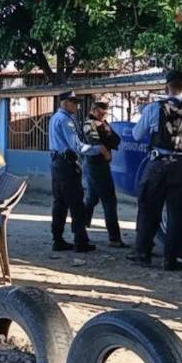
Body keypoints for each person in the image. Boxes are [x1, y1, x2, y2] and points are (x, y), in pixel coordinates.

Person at [129, 71, 182, 270]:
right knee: (178, 214)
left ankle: (143, 254)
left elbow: (136, 134)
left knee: (149, 209)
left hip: (158, 165)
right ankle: (171, 260)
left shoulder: (153, 108)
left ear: (166, 86)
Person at [49, 91, 109, 253]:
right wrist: (99, 149)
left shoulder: (56, 117)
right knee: (76, 203)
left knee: (59, 203)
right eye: (73, 102)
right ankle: (80, 241)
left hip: (57, 163)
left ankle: (58, 239)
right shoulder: (65, 120)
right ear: (64, 102)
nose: (77, 105)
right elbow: (77, 146)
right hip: (67, 165)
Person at [82, 102, 126, 248]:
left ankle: (80, 227)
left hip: (99, 165)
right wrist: (106, 152)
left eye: (105, 114)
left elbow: (116, 140)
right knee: (109, 201)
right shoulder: (89, 124)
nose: (103, 116)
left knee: (92, 198)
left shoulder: (102, 124)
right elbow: (97, 144)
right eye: (101, 113)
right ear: (93, 110)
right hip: (96, 165)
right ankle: (114, 238)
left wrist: (106, 129)